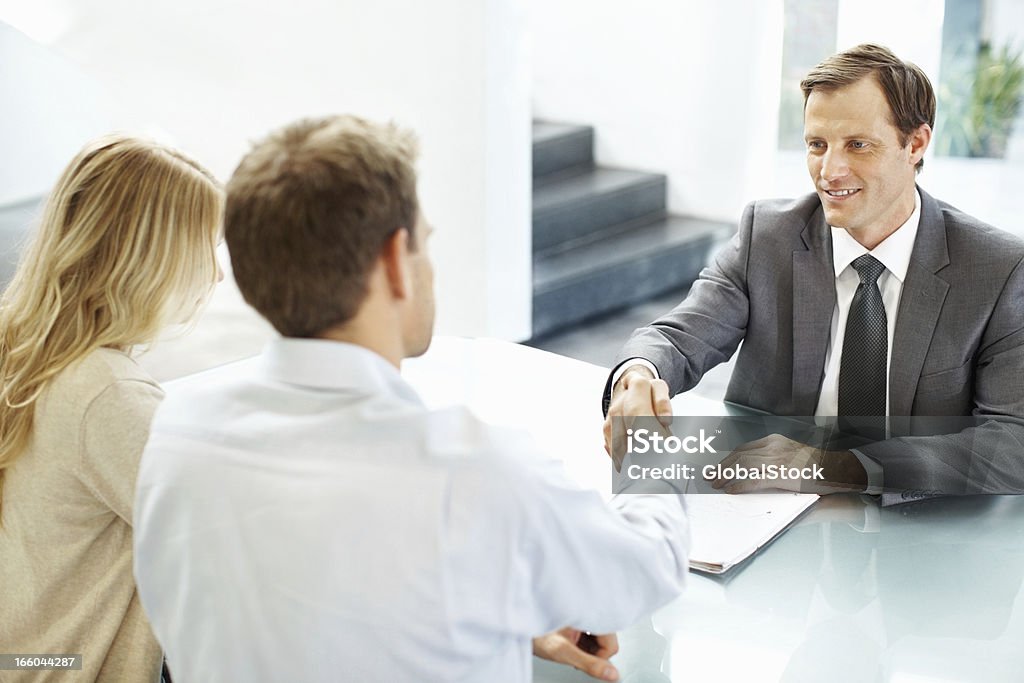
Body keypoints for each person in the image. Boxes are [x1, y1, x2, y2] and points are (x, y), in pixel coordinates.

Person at [132, 115, 689, 683]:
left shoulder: (178, 435)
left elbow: (305, 610)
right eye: (425, 243)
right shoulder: (471, 468)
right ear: (397, 261)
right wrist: (642, 436)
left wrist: (495, 615)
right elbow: (648, 567)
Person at [604, 43, 1024, 502]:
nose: (830, 170)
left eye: (857, 145)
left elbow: (1012, 444)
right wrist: (638, 375)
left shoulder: (998, 268)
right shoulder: (768, 236)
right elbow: (677, 337)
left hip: (917, 519)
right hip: (768, 508)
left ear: (915, 144)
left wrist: (831, 467)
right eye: (817, 145)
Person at [0, 135, 223, 681]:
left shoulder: (25, 351)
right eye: (206, 248)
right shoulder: (106, 396)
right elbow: (225, 538)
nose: (217, 274)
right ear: (149, 257)